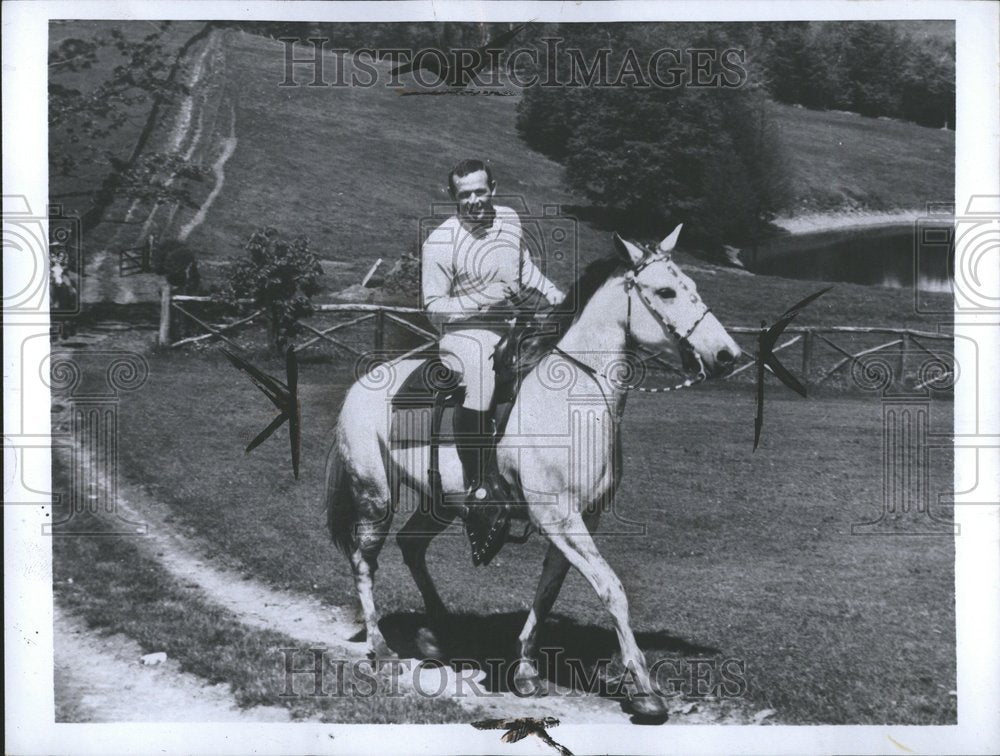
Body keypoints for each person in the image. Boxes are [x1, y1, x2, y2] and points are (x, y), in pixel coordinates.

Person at [421, 159, 564, 505]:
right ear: (454, 196)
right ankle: (478, 482)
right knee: (483, 382)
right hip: (465, 334)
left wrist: (556, 294)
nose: (473, 200)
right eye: (464, 194)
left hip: (512, 328)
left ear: (493, 189)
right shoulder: (440, 242)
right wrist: (480, 302)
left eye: (480, 192)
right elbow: (433, 307)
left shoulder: (510, 221)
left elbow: (524, 270)